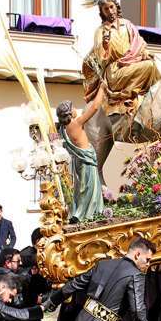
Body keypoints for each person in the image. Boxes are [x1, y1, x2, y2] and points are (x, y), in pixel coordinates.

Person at [82, 0, 161, 116]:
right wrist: (105, 45)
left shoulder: (127, 24)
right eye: (106, 9)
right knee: (149, 66)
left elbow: (139, 42)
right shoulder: (100, 31)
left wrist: (145, 52)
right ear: (102, 12)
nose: (110, 11)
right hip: (115, 71)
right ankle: (157, 94)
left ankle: (157, 96)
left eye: (111, 7)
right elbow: (101, 59)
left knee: (151, 63)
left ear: (116, 6)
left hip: (131, 64)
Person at [56, 90, 106, 223]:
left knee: (84, 186)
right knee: (89, 187)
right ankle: (83, 214)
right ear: (69, 112)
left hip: (80, 160)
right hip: (86, 160)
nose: (75, 109)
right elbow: (95, 107)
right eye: (72, 108)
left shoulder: (63, 129)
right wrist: (102, 88)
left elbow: (55, 138)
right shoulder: (76, 123)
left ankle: (84, 213)